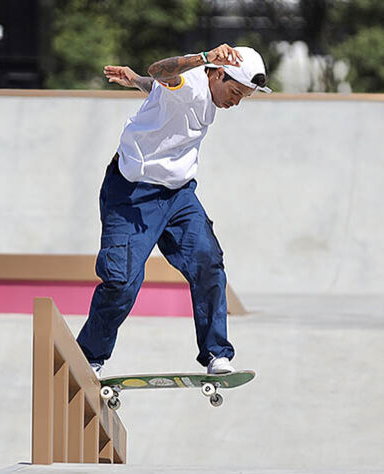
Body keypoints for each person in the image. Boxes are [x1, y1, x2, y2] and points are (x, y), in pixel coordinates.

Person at [76, 44, 271, 376]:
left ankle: (216, 353)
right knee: (121, 281)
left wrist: (135, 80)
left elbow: (157, 88)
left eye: (244, 97)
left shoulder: (201, 93)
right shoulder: (194, 79)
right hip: (132, 195)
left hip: (179, 196)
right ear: (219, 74)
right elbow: (160, 72)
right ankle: (89, 357)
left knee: (208, 263)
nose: (235, 102)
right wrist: (203, 58)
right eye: (235, 92)